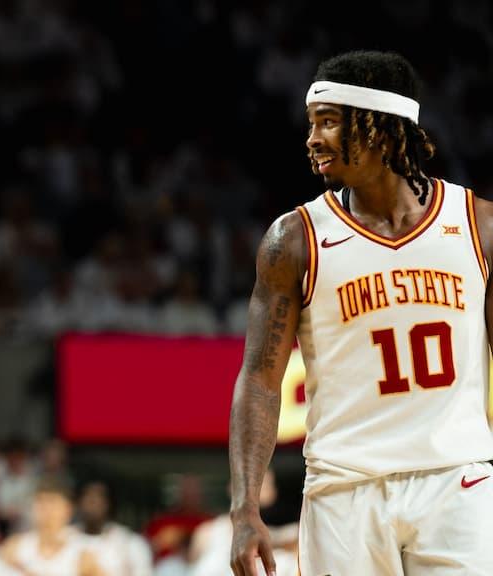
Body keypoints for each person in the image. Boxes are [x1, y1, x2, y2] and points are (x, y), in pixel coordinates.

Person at [229, 50, 493, 576]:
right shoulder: (295, 240)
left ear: (381, 129)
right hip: (344, 488)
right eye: (311, 124)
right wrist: (244, 508)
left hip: (456, 482)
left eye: (327, 122)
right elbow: (259, 379)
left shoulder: (477, 225)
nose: (311, 139)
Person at [0, 476, 105, 576]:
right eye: (40, 501)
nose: (46, 509)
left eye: (52, 502)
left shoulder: (82, 552)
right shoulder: (15, 546)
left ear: (68, 508)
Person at [75, 480, 153, 576]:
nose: (93, 503)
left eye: (99, 498)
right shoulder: (63, 538)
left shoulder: (131, 542)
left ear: (109, 504)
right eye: (88, 498)